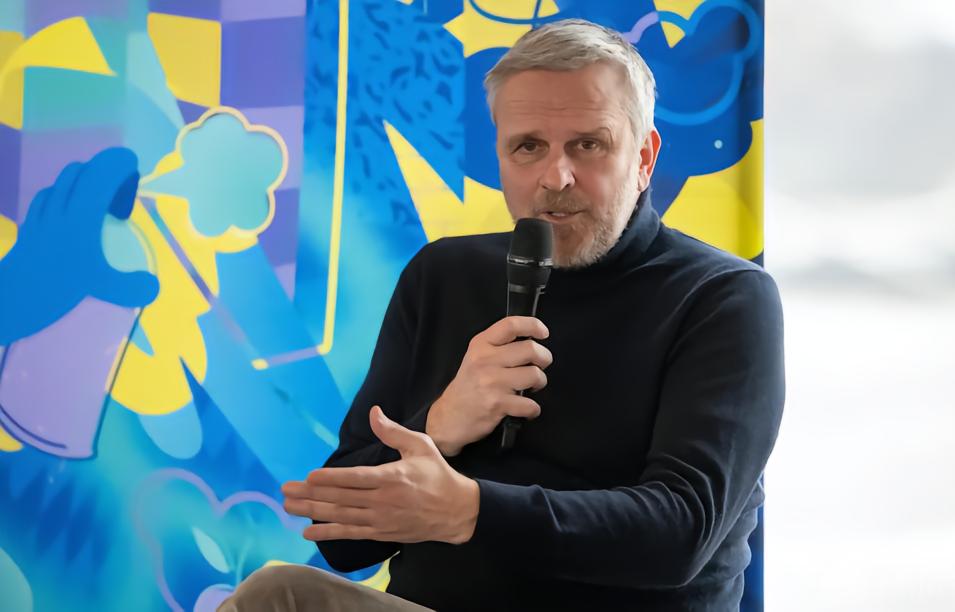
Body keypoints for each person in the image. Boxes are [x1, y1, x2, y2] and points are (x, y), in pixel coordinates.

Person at [220, 18, 784, 612]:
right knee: (277, 596)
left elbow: (680, 533)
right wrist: (441, 422)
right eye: (529, 147)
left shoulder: (723, 297)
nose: (556, 177)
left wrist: (469, 511)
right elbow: (343, 537)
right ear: (501, 156)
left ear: (643, 157)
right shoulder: (441, 276)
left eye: (588, 145)